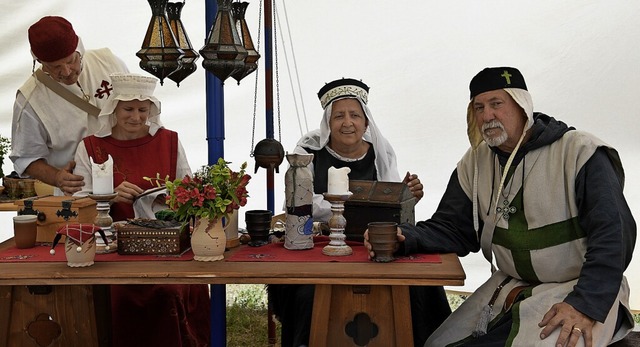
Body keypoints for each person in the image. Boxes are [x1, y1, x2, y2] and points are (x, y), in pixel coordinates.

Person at [365, 67, 636, 347]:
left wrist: (585, 304)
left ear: (521, 107)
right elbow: (453, 227)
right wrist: (406, 237)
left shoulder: (579, 152)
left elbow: (614, 234)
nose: (487, 115)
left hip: (580, 290)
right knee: (438, 344)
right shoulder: (475, 163)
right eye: (479, 107)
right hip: (510, 284)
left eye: (497, 104)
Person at [268, 78, 452, 347]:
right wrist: (357, 205)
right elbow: (298, 203)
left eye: (355, 115)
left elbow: (390, 205)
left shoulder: (380, 150)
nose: (347, 122)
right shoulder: (308, 151)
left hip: (372, 245)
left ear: (366, 122)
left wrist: (405, 196)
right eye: (338, 115)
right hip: (320, 245)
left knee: (416, 287)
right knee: (308, 294)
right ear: (327, 123)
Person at [73, 73, 210, 347]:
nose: (136, 117)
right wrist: (110, 196)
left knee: (169, 291)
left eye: (142, 110)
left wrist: (169, 198)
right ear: (114, 108)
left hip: (167, 245)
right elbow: (79, 202)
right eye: (128, 109)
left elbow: (188, 190)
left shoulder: (169, 141)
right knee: (121, 297)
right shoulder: (90, 147)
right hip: (111, 249)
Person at [10, 16, 128, 196]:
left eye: (71, 60)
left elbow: (144, 113)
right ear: (39, 61)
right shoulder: (30, 100)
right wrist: (57, 177)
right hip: (79, 194)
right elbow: (27, 158)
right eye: (55, 67)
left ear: (78, 47)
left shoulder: (109, 63)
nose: (66, 72)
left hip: (127, 181)